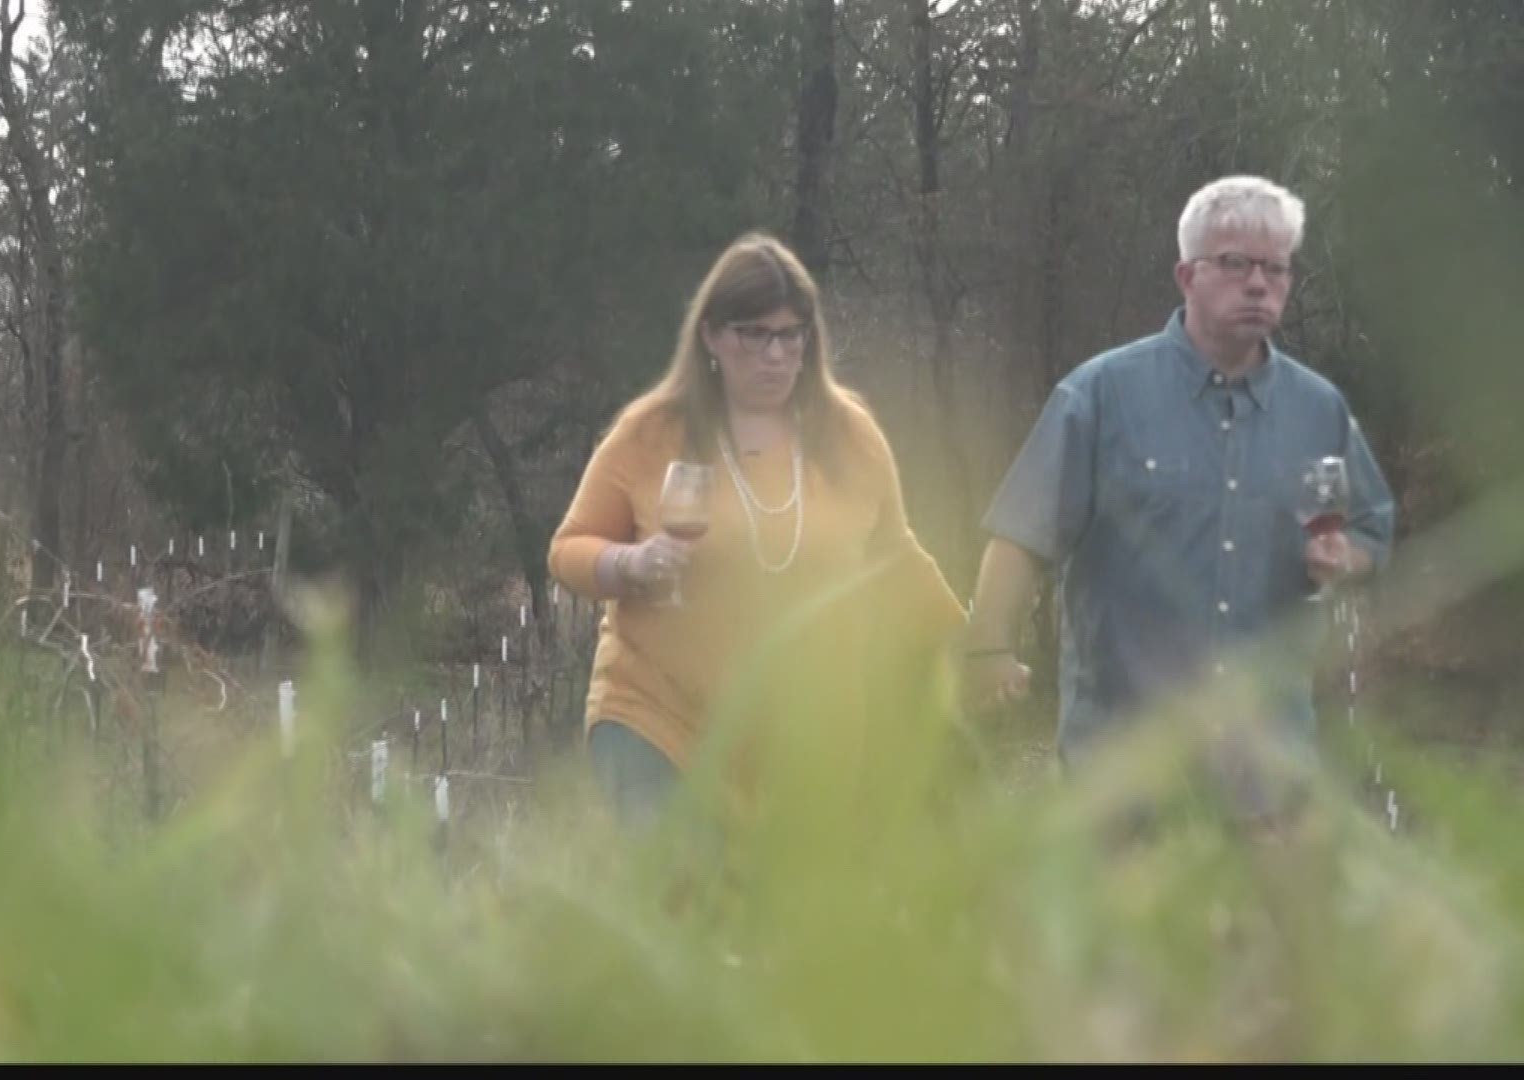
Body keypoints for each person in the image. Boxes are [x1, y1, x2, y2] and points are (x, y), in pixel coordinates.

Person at [962, 175, 1396, 831]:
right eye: (1235, 264)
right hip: (1124, 771)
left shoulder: (1319, 410)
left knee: (1260, 938)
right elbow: (1022, 536)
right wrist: (988, 648)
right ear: (1186, 275)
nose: (1258, 283)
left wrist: (1347, 558)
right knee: (1121, 937)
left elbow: (1373, 530)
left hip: (1268, 772)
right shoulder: (1101, 396)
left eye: (1275, 268)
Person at [548, 233, 965, 828]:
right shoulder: (651, 432)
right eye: (755, 335)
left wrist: (976, 646)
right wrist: (628, 565)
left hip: (808, 739)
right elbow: (568, 548)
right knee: (688, 905)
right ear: (712, 337)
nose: (775, 354)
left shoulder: (851, 436)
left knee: (780, 915)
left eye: (790, 335)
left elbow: (895, 556)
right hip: (659, 721)